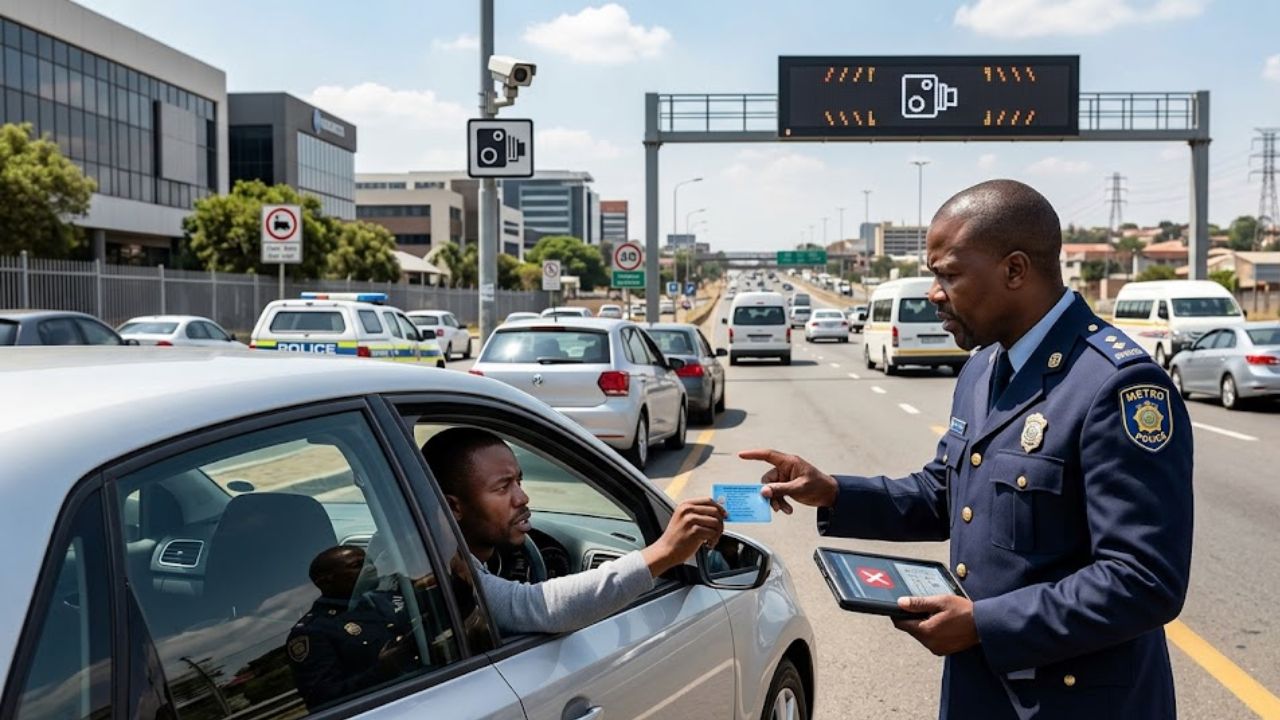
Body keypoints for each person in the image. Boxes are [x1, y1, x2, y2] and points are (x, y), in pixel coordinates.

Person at [742, 179, 1193, 719]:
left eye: (949, 274)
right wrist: (834, 491)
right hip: (982, 691)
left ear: (1015, 270)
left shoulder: (1114, 385)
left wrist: (983, 624)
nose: (934, 292)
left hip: (1077, 702)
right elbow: (945, 492)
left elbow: (1143, 581)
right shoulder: (983, 366)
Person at [421, 427, 725, 635]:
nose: (522, 498)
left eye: (519, 481)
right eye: (503, 487)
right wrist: (664, 552)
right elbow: (539, 606)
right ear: (454, 508)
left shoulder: (414, 550)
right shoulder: (441, 575)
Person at [286, 546, 428, 710]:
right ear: (326, 581)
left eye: (369, 562)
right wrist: (383, 670)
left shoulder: (387, 597)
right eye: (357, 565)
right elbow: (322, 700)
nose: (369, 568)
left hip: (431, 688)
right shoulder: (313, 631)